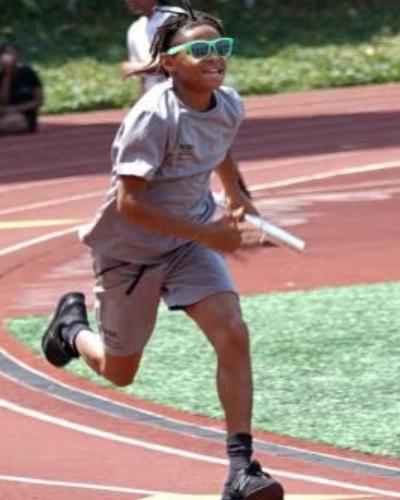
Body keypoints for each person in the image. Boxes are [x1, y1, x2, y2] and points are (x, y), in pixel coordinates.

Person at [41, 3, 284, 499]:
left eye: (222, 47)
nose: (215, 57)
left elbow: (220, 142)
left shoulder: (229, 102)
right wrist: (211, 234)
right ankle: (71, 329)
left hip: (187, 242)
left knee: (233, 335)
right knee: (120, 371)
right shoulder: (152, 116)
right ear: (169, 61)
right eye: (201, 50)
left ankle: (241, 470)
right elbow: (131, 205)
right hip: (130, 250)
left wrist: (235, 194)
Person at [122, 0, 175, 96]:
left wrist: (138, 68)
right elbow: (144, 79)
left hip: (181, 99)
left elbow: (179, 61)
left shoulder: (174, 16)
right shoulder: (135, 28)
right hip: (154, 98)